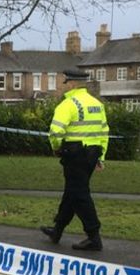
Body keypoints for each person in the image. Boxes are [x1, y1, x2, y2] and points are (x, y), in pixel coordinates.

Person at [40, 68, 109, 251]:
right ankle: (57, 230)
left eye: (65, 83)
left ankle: (93, 236)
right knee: (72, 192)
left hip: (75, 155)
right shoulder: (97, 104)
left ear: (70, 83)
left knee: (79, 195)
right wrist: (100, 157)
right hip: (92, 154)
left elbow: (55, 132)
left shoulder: (68, 104)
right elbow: (104, 132)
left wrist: (56, 148)